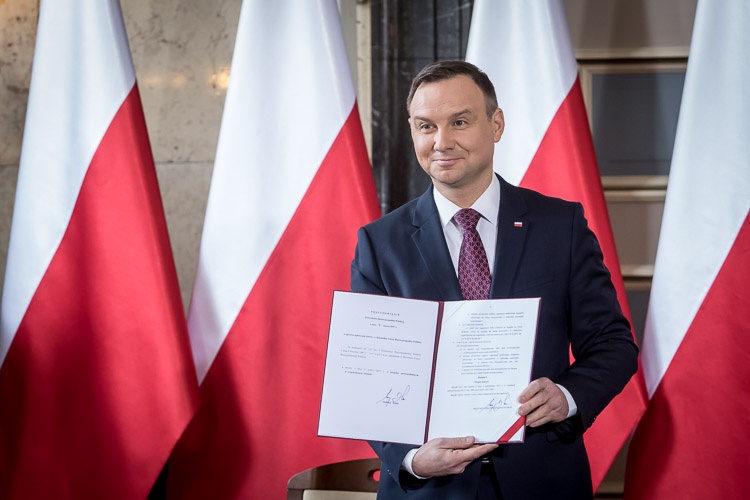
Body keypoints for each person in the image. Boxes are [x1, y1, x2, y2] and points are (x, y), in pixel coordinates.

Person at [350, 60, 639, 499]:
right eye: (426, 126)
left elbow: (612, 345)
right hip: (431, 490)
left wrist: (566, 396)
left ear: (496, 124)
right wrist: (411, 459)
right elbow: (369, 379)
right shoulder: (379, 243)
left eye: (459, 122)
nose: (441, 142)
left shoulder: (560, 227)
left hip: (542, 483)